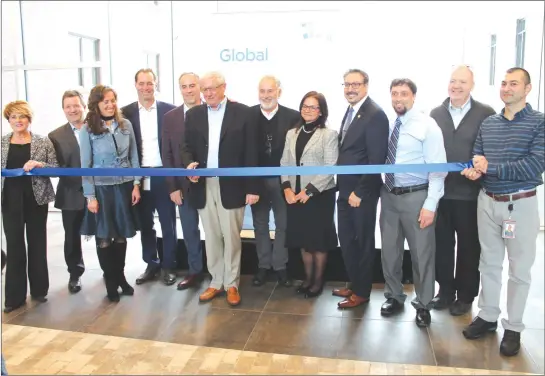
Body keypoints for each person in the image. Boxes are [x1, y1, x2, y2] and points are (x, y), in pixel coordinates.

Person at [461, 67, 544, 357]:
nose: (507, 88)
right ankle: (488, 315)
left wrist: (490, 168)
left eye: (514, 84)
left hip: (519, 205)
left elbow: (535, 165)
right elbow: (478, 155)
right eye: (504, 83)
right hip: (487, 201)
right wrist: (475, 171)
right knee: (489, 263)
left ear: (528, 88)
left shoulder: (539, 122)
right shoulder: (490, 123)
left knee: (519, 269)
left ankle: (514, 327)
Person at [181, 71, 260, 306]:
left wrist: (252, 187)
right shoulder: (193, 114)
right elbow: (185, 146)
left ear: (224, 87)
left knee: (232, 237)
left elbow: (251, 152)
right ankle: (216, 282)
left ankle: (232, 283)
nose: (208, 93)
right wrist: (189, 165)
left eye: (212, 88)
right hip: (203, 184)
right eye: (204, 90)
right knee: (212, 236)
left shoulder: (243, 112)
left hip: (233, 185)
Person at [379, 78, 447, 327]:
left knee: (422, 254)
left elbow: (439, 170)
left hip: (417, 197)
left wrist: (430, 204)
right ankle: (394, 296)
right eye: (394, 93)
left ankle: (424, 304)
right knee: (390, 252)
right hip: (388, 196)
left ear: (414, 97)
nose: (398, 98)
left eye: (404, 94)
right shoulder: (388, 124)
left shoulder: (428, 126)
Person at [430, 65, 496, 315]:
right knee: (442, 244)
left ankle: (466, 295)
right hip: (440, 192)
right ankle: (445, 290)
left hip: (470, 193)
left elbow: (491, 148)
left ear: (472, 86)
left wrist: (480, 169)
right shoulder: (436, 113)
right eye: (453, 81)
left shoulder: (485, 113)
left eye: (462, 82)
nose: (456, 86)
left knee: (469, 246)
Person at [79, 84, 141, 302]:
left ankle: (121, 277)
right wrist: (90, 196)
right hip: (101, 190)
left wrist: (136, 184)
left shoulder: (126, 125)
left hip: (124, 186)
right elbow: (84, 165)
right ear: (96, 104)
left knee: (121, 236)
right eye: (105, 100)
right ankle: (111, 281)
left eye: (112, 100)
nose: (110, 104)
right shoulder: (87, 129)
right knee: (105, 237)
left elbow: (134, 157)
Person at [334, 69, 389, 308]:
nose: (350, 89)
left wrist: (360, 192)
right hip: (344, 190)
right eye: (346, 84)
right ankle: (354, 284)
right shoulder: (352, 110)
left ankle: (363, 291)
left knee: (363, 242)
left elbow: (377, 159)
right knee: (347, 240)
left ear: (366, 85)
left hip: (360, 193)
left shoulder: (375, 114)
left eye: (355, 84)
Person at [121, 69, 178, 286]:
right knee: (145, 223)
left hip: (163, 173)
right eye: (142, 83)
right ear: (135, 85)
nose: (146, 87)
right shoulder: (124, 113)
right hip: (139, 175)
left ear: (156, 84)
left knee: (168, 223)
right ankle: (151, 264)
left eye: (150, 83)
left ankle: (169, 266)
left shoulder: (169, 111)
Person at [1, 100, 58, 313]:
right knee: (15, 246)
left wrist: (39, 164)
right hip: (10, 200)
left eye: (22, 116)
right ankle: (14, 298)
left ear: (29, 119)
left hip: (36, 199)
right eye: (13, 117)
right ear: (8, 120)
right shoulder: (2, 142)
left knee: (37, 243)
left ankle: (39, 290)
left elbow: (55, 168)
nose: (18, 121)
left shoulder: (43, 142)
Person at [280, 91, 339, 298]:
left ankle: (317, 282)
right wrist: (287, 188)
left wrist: (309, 191)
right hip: (294, 195)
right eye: (305, 106)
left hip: (319, 196)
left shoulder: (329, 135)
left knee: (318, 242)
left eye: (313, 107)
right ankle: (307, 279)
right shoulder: (291, 133)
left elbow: (330, 167)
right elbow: (285, 163)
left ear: (321, 111)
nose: (308, 110)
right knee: (304, 241)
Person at [250, 75, 300, 287]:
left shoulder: (293, 117)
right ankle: (263, 266)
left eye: (270, 91)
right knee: (259, 224)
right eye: (262, 91)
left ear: (279, 91)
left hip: (284, 182)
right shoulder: (248, 115)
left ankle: (280, 266)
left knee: (283, 225)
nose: (266, 95)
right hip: (257, 182)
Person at [162, 72, 204, 290]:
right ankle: (195, 271)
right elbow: (167, 155)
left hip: (209, 184)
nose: (188, 90)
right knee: (189, 230)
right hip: (182, 186)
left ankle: (220, 274)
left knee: (217, 232)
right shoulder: (170, 117)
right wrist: (172, 187)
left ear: (200, 87)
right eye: (184, 86)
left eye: (192, 85)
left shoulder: (213, 110)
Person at [49, 90, 88, 293]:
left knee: (104, 234)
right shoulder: (55, 136)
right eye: (68, 106)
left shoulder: (97, 129)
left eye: (76, 105)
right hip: (70, 193)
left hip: (97, 192)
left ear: (84, 106)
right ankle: (75, 273)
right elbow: (54, 165)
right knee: (71, 236)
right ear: (63, 109)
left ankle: (111, 272)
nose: (73, 110)